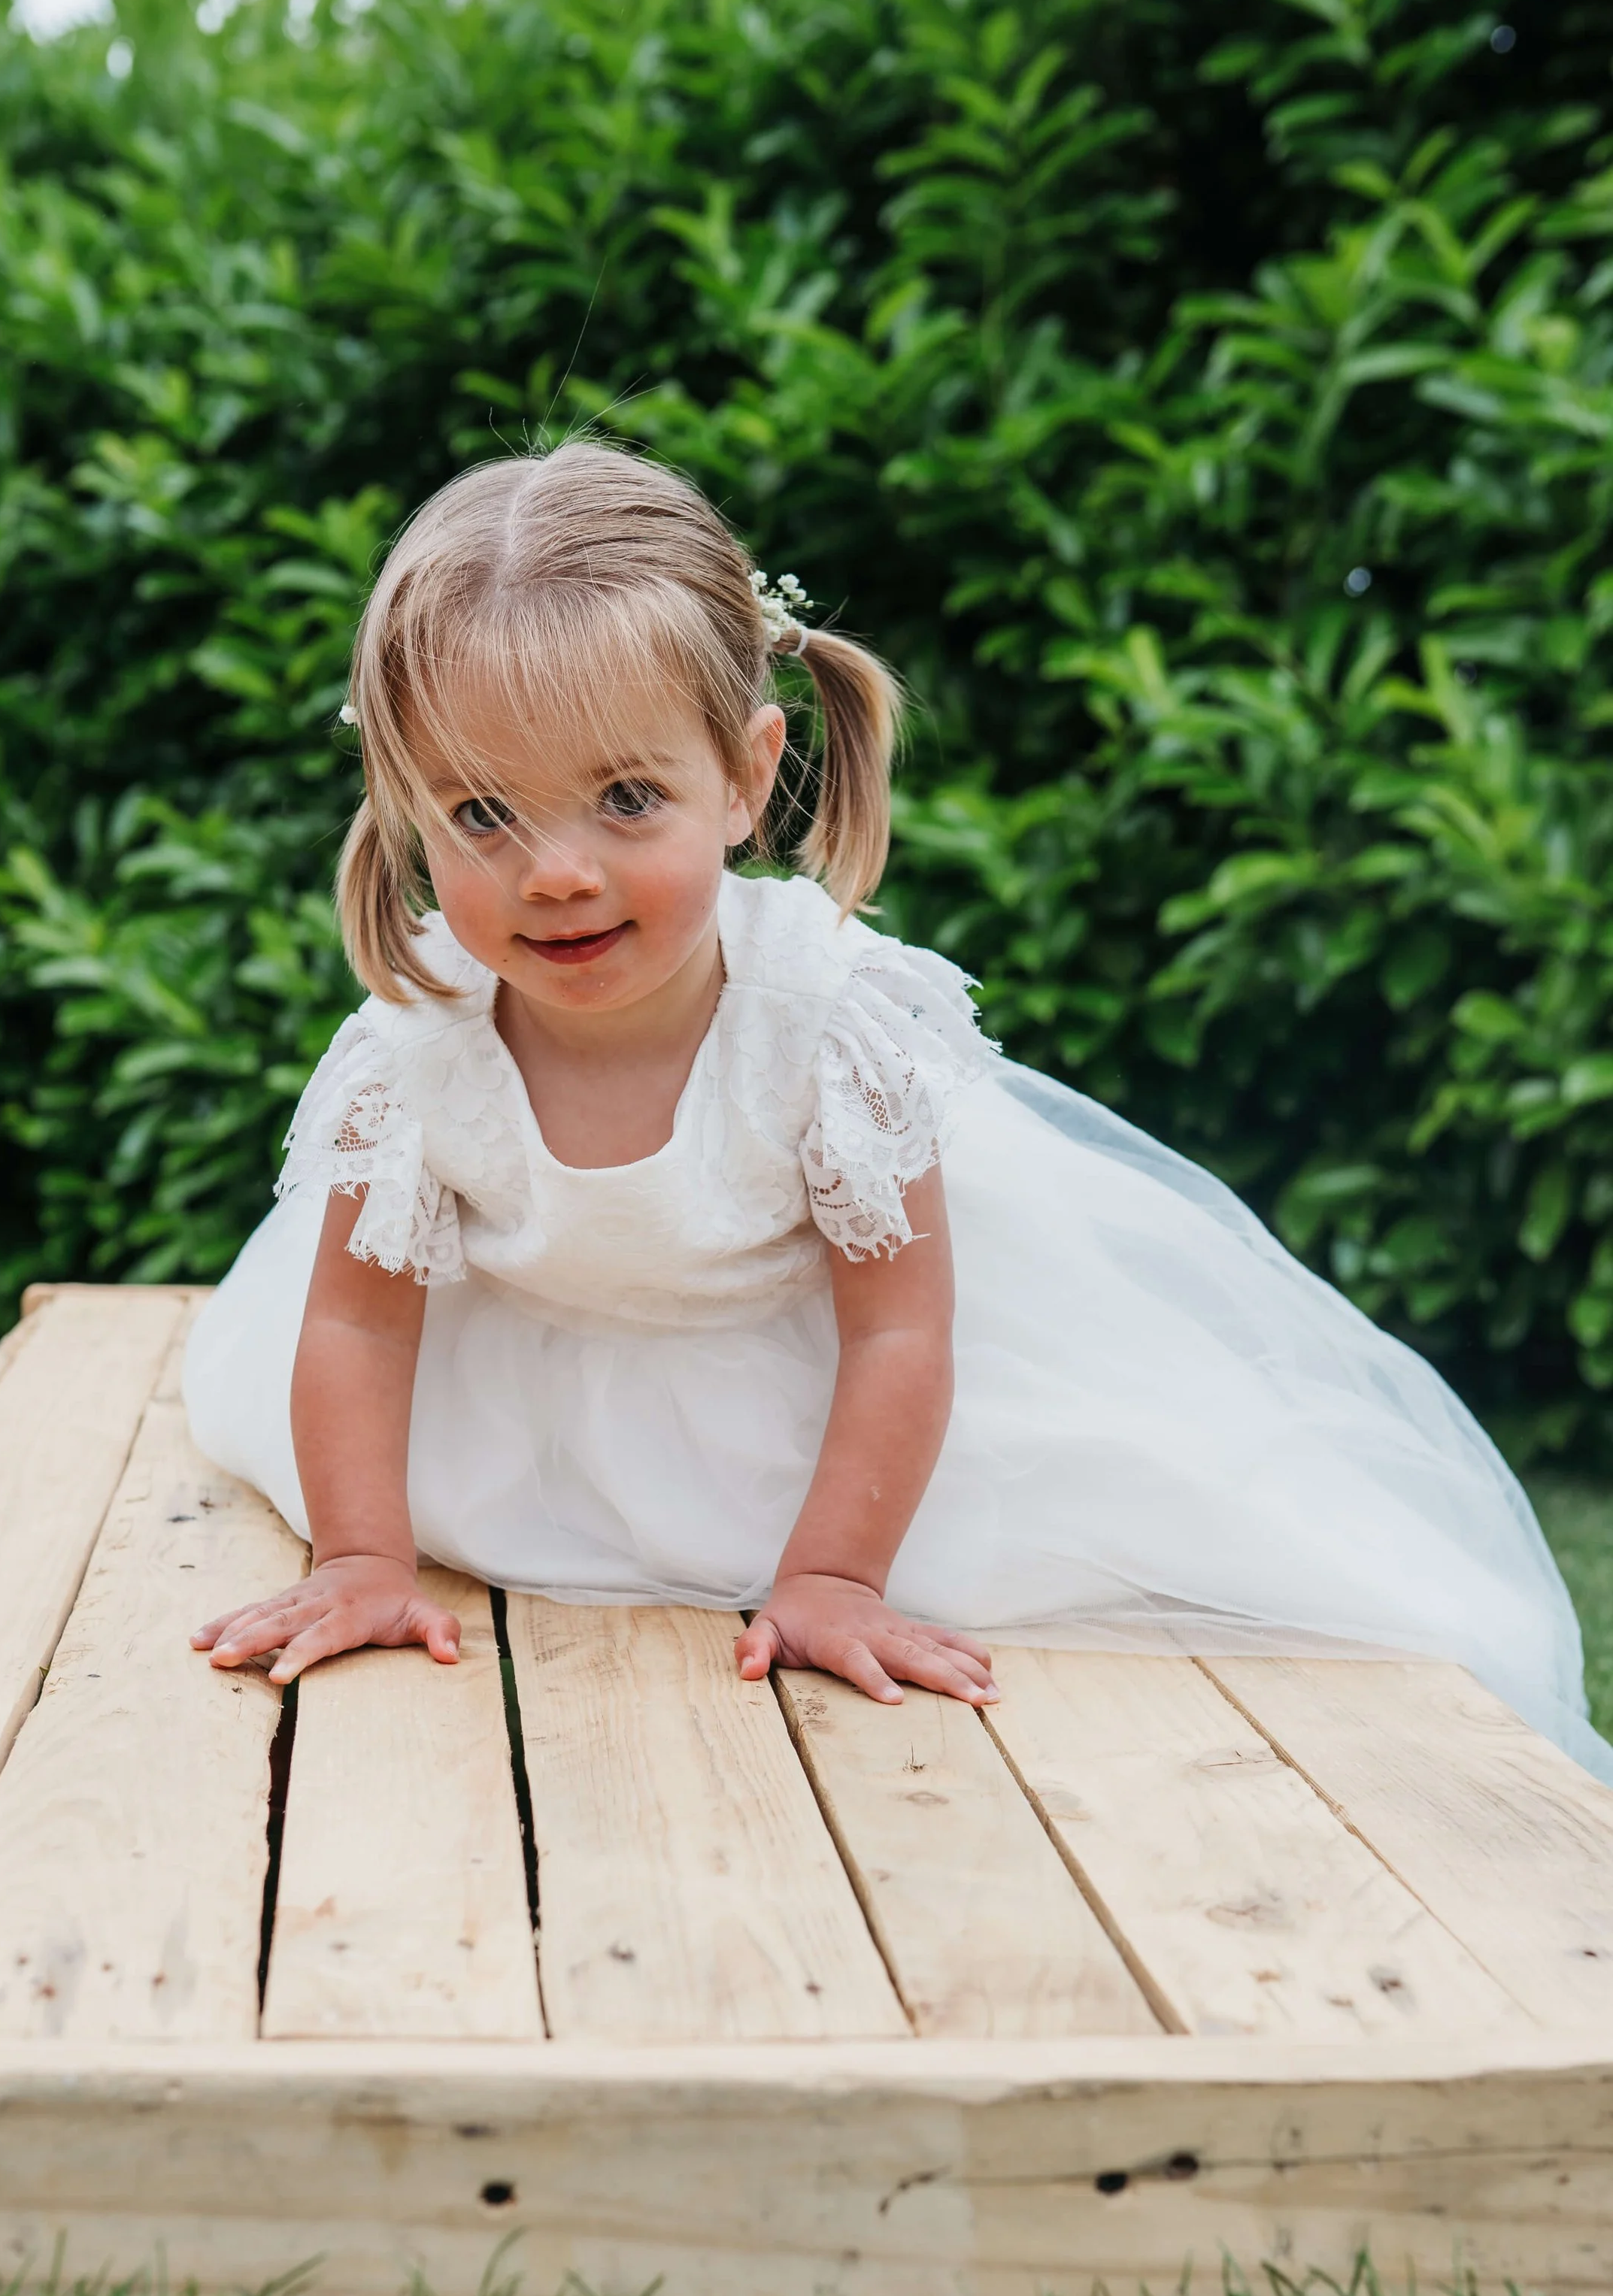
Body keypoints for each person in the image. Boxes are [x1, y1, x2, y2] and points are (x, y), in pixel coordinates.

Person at [184, 441, 1611, 1778]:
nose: (556, 872)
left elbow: (899, 1326)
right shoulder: (418, 1038)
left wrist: (832, 1575)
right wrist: (362, 1554)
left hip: (825, 1395)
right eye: (485, 815)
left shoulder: (822, 1022)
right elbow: (364, 1322)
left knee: (1236, 1551)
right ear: (409, 810)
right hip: (522, 1387)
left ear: (747, 776)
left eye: (627, 796)